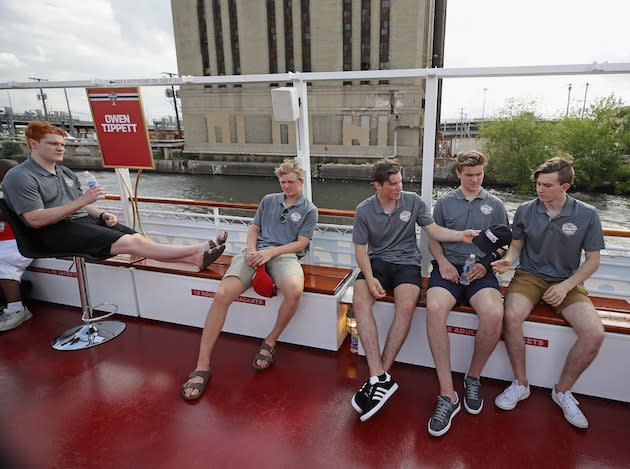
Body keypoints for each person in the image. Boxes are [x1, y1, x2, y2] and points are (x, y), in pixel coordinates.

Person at [1, 121, 226, 275]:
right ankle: (196, 249)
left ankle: (193, 259)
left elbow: (80, 204)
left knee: (139, 239)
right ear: (34, 144)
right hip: (50, 234)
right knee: (132, 243)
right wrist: (83, 201)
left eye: (62, 144)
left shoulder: (64, 172)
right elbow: (35, 220)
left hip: (78, 222)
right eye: (53, 144)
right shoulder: (20, 177)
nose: (60, 148)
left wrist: (101, 213)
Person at [350, 158, 479, 422]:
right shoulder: (364, 210)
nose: (399, 187)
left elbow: (433, 230)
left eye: (400, 181)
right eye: (393, 184)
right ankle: (377, 376)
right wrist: (371, 277)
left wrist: (461, 235)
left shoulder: (413, 201)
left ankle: (380, 379)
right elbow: (360, 250)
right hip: (376, 263)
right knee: (360, 300)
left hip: (407, 263)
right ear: (378, 185)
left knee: (406, 305)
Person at [181, 158, 318, 401]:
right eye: (283, 182)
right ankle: (202, 364)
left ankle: (270, 341)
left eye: (291, 182)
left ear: (301, 182)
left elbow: (301, 243)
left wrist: (271, 253)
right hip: (254, 253)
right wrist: (254, 252)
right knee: (223, 295)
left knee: (295, 290)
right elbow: (254, 229)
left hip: (283, 255)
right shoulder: (268, 200)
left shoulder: (309, 210)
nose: (286, 186)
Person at [493, 156, 605, 429]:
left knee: (594, 333)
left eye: (546, 185)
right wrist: (509, 260)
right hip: (530, 276)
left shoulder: (587, 215)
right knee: (511, 316)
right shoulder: (525, 210)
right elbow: (517, 246)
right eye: (538, 184)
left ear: (564, 187)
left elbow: (593, 260)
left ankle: (563, 391)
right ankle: (521, 384)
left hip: (568, 281)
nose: (540, 190)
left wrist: (566, 286)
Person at [425, 151, 510, 436]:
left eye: (479, 175)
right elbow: (433, 239)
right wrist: (445, 263)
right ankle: (447, 395)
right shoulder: (445, 204)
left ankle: (473, 377)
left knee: (494, 312)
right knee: (435, 308)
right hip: (447, 269)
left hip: (479, 272)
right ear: (459, 174)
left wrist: (486, 266)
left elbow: (503, 246)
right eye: (469, 175)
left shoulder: (495, 205)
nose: (475, 180)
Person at [0, 159, 34, 332]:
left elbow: (8, 214)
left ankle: (16, 309)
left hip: (19, 241)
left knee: (4, 260)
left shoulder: (21, 191)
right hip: (6, 239)